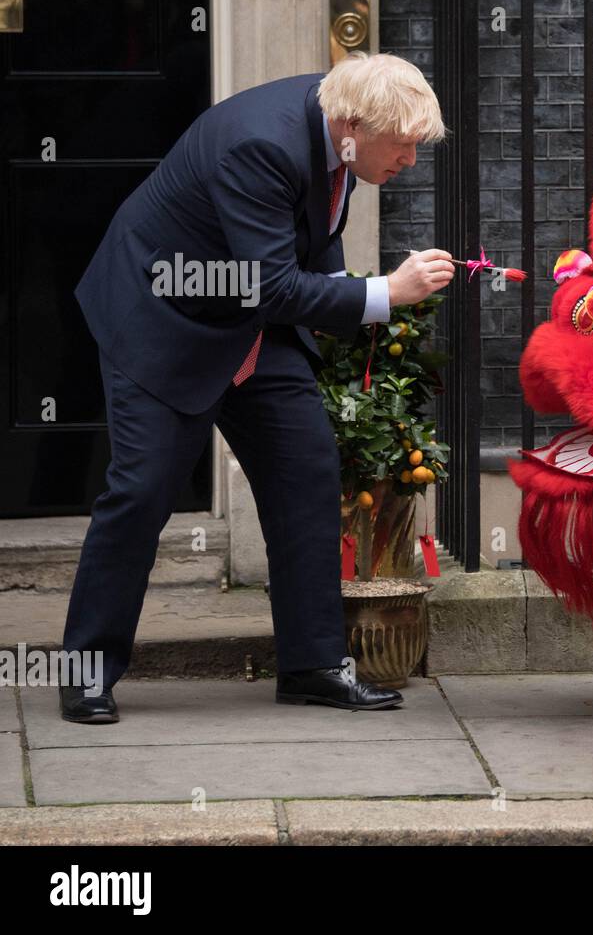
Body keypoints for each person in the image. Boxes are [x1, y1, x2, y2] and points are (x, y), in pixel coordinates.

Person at [59, 52, 455, 723]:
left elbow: (310, 240)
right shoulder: (258, 144)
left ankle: (313, 666)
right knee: (142, 490)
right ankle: (87, 673)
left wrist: (345, 307)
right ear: (354, 125)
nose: (411, 161)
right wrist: (387, 292)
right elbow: (272, 284)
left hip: (253, 325)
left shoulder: (341, 132)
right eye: (405, 146)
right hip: (163, 318)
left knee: (305, 472)